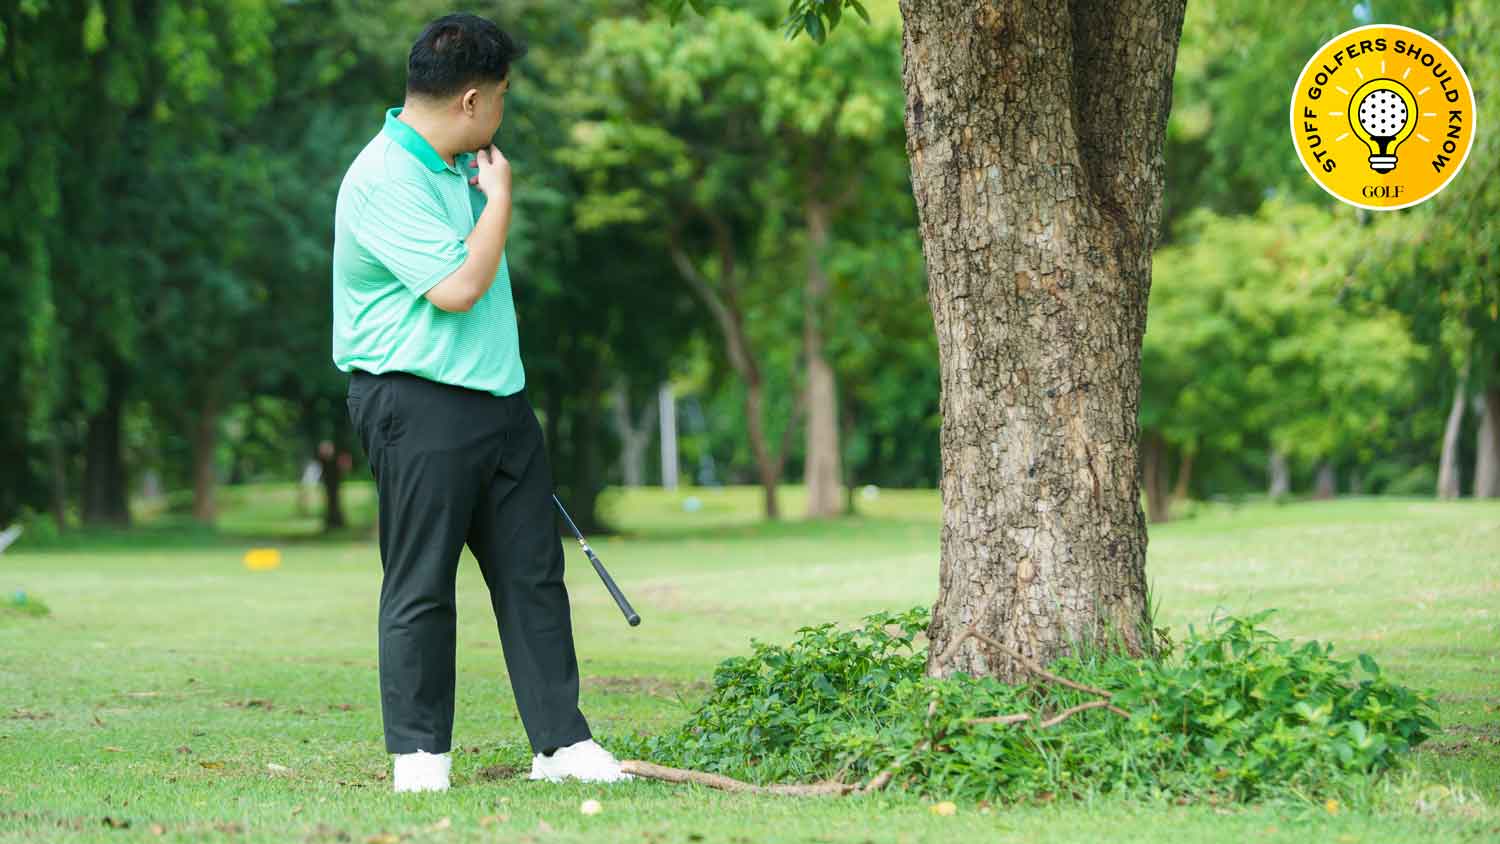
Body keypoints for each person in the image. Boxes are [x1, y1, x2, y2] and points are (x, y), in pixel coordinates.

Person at [330, 12, 631, 793]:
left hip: (500, 402)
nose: (502, 110)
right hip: (416, 401)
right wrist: (499, 197)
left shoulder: (458, 163)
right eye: (500, 95)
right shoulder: (384, 177)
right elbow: (459, 288)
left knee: (533, 576)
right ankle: (420, 756)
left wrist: (483, 186)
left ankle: (561, 744)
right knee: (422, 581)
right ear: (471, 100)